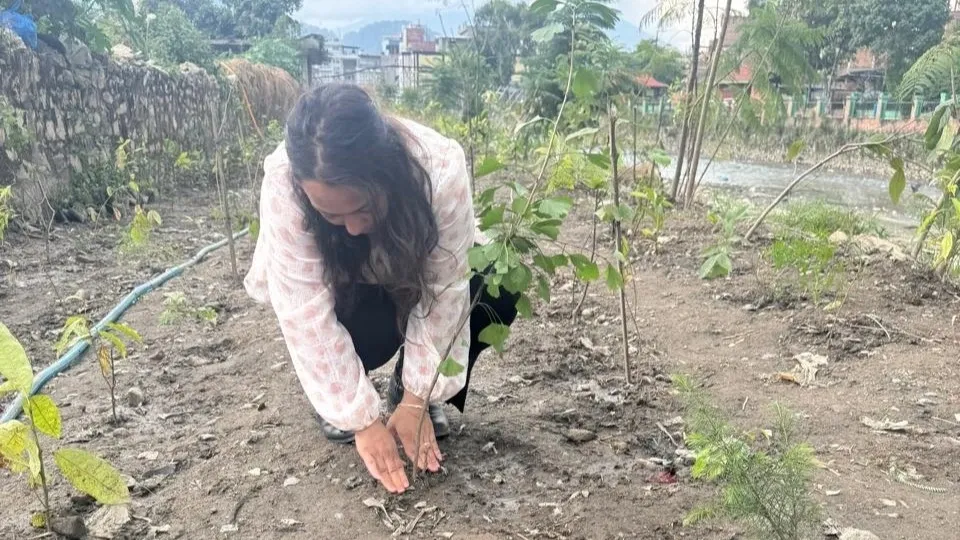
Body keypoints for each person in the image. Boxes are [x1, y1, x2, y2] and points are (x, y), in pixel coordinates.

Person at [243, 83, 518, 494]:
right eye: (331, 214)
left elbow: (446, 289)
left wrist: (416, 397)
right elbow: (305, 313)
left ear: (385, 173)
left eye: (363, 207)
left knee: (494, 286)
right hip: (352, 291)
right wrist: (360, 420)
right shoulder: (285, 185)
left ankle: (406, 384)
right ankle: (347, 393)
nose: (352, 226)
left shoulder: (438, 169)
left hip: (407, 278)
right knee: (362, 341)